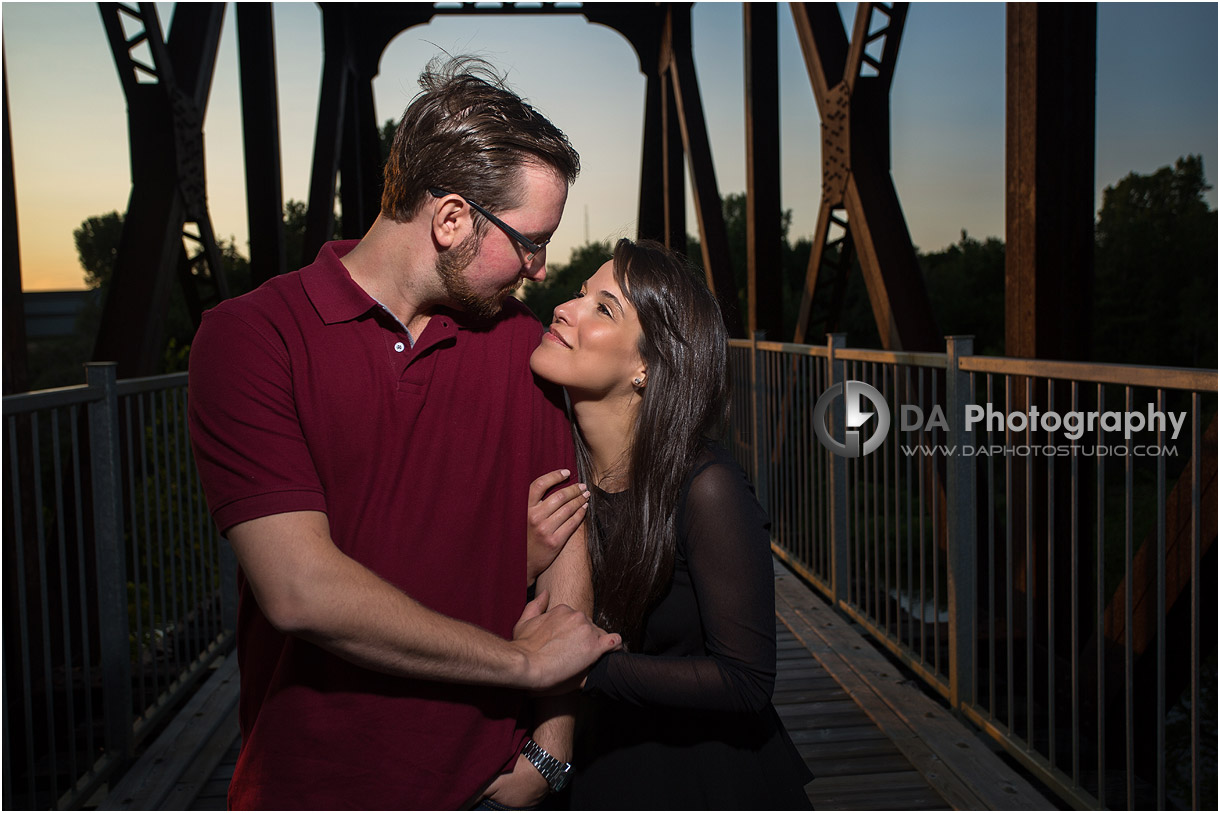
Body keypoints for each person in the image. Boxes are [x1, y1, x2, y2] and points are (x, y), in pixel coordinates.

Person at [187, 57, 620, 810]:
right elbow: (300, 590)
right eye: (529, 242)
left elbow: (567, 568)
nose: (541, 269)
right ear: (451, 219)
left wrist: (548, 757)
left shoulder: (526, 347)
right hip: (312, 785)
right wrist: (520, 665)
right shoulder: (252, 338)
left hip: (490, 784)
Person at [528, 238, 815, 809]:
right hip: (595, 767)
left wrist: (587, 670)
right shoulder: (551, 461)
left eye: (603, 308)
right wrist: (524, 562)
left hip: (704, 781)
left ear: (646, 366)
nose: (565, 306)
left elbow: (747, 680)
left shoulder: (706, 486)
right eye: (581, 293)